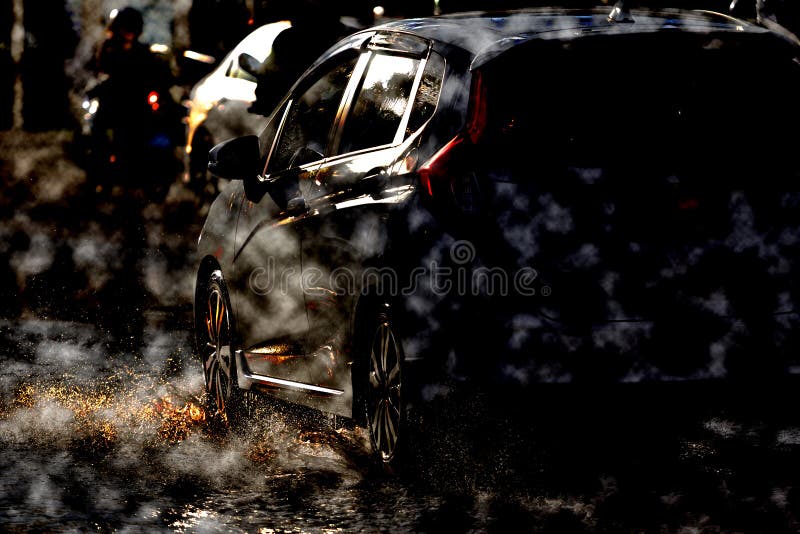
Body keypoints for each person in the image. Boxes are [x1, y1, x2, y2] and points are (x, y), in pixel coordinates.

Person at [248, 2, 351, 116]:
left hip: (304, 118)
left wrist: (262, 104)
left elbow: (269, 81)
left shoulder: (288, 40)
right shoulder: (350, 39)